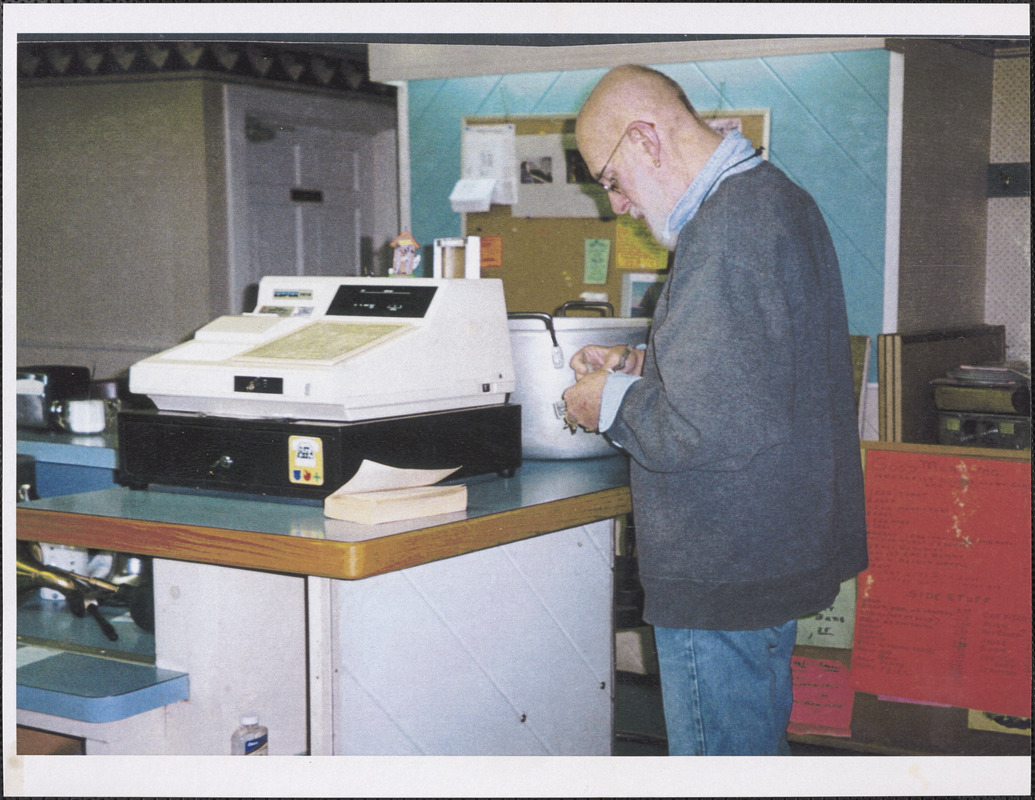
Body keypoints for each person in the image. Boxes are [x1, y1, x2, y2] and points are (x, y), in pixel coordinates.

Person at [563, 65, 868, 756]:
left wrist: (603, 401)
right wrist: (646, 365)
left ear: (644, 139)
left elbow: (706, 428)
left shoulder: (724, 234)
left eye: (609, 178)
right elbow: (759, 371)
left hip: (723, 563)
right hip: (770, 549)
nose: (617, 205)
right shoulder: (775, 199)